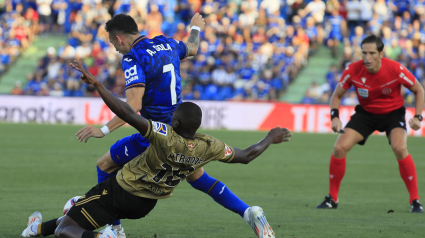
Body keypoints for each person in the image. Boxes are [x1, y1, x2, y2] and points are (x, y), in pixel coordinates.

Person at [21, 60, 292, 238]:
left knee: (68, 225)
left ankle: (106, 235)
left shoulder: (164, 135)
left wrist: (99, 86)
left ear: (174, 121)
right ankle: (35, 229)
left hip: (121, 191)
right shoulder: (208, 145)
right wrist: (270, 138)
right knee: (78, 212)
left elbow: (128, 112)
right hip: (146, 205)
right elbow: (246, 156)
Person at [72, 13, 257, 237]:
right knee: (197, 176)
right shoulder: (166, 43)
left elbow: (133, 106)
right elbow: (193, 48)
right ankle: (248, 212)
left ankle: (115, 228)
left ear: (119, 39)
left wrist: (103, 130)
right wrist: (196, 29)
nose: (115, 48)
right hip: (179, 128)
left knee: (105, 165)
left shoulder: (133, 57)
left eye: (113, 43)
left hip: (154, 133)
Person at [316, 35, 424, 213]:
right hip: (365, 114)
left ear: (382, 53)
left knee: (399, 147)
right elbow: (336, 95)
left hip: (393, 113)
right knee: (339, 148)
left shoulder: (396, 69)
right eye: (364, 53)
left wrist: (418, 117)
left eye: (372, 53)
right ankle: (331, 199)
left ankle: (415, 201)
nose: (367, 58)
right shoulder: (352, 70)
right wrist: (334, 116)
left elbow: (418, 89)